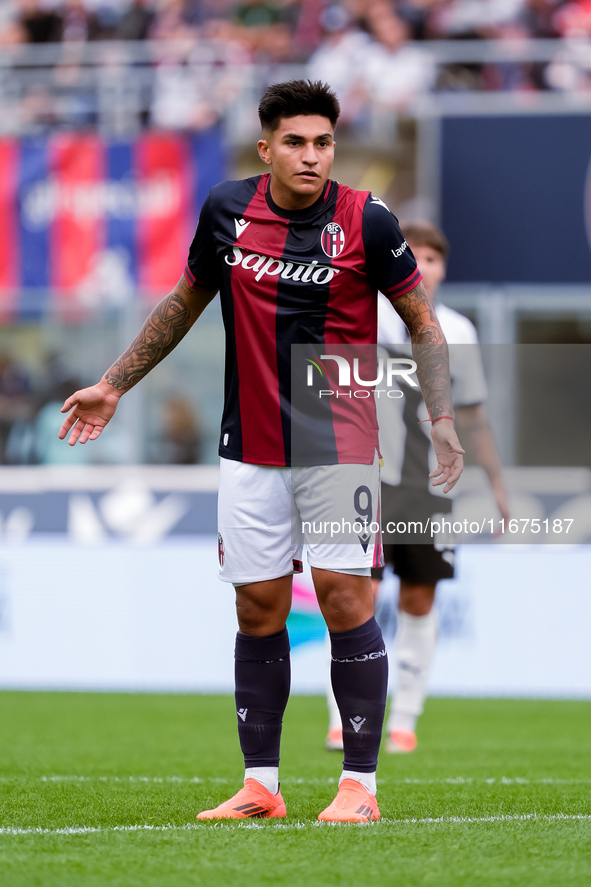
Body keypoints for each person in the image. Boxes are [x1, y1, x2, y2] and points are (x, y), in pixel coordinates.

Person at [59, 80, 464, 823]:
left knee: (347, 598)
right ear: (266, 148)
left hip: (338, 436)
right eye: (296, 143)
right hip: (247, 439)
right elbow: (184, 300)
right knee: (257, 607)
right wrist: (114, 383)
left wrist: (439, 414)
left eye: (323, 143)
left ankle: (359, 787)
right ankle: (260, 785)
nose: (311, 157)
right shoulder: (225, 210)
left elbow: (421, 321)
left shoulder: (367, 221)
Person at [325, 220, 509, 754]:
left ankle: (404, 716)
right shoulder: (366, 314)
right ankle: (346, 715)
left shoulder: (458, 330)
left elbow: (473, 416)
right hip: (365, 481)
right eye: (415, 256)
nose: (422, 266)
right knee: (354, 596)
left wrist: (497, 484)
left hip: (431, 490)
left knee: (419, 597)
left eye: (432, 258)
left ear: (443, 267)